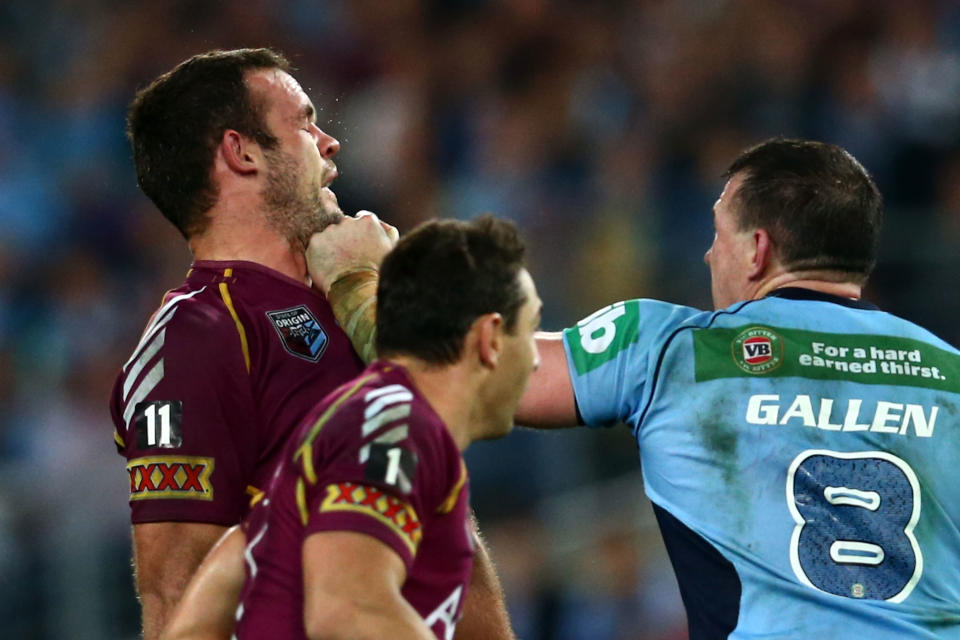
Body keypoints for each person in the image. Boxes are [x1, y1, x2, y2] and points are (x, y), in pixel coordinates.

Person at [314, 139, 960, 638]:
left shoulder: (671, 349)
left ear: (758, 249)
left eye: (718, 233)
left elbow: (459, 373)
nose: (710, 256)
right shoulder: (950, 374)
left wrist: (358, 277)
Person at [111, 48, 511, 640]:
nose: (329, 142)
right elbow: (177, 595)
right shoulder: (195, 337)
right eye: (303, 120)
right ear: (240, 152)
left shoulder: (352, 298)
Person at [163, 215, 542, 640]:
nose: (535, 359)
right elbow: (347, 609)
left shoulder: (363, 421)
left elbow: (233, 565)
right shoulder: (396, 430)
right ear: (490, 339)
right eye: (530, 331)